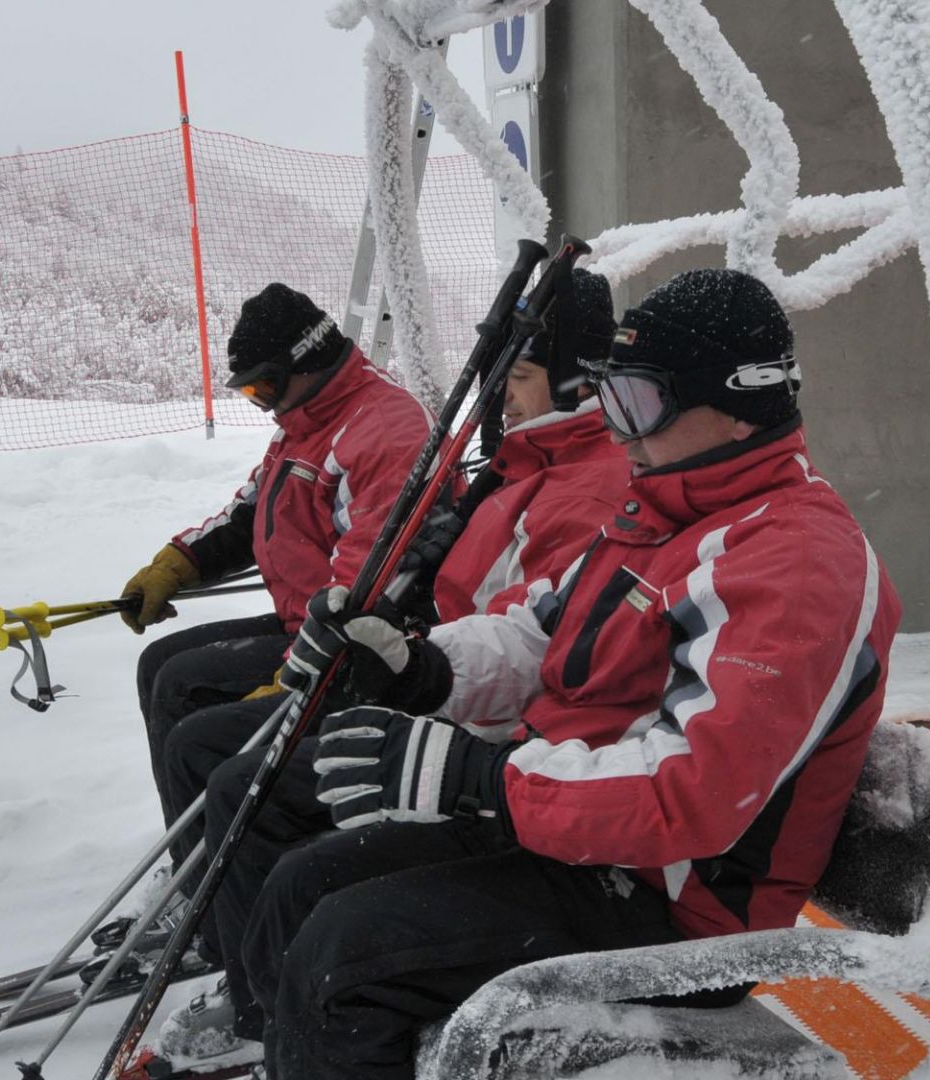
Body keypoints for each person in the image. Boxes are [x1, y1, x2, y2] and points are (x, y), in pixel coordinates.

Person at [247, 268, 904, 1080]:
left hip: (677, 909)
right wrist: (418, 670)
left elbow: (693, 795)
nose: (618, 431)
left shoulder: (797, 564)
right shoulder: (662, 510)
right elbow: (538, 633)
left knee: (345, 955)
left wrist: (484, 778)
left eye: (638, 403)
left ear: (740, 408)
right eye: (608, 398)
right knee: (304, 881)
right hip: (578, 844)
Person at [153, 271, 629, 1064]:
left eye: (517, 379)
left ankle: (258, 1005)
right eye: (498, 380)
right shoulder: (520, 463)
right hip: (417, 674)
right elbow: (447, 586)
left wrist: (404, 665)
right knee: (179, 690)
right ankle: (248, 969)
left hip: (471, 727)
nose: (503, 400)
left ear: (577, 380)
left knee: (240, 780)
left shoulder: (576, 486)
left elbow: (525, 641)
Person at [121, 283, 433, 841]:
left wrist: (295, 670)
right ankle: (192, 856)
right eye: (250, 394)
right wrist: (179, 563)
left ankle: (206, 892)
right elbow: (253, 512)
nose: (262, 404)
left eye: (264, 386)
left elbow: (366, 582)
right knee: (160, 665)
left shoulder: (382, 430)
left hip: (352, 642)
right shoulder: (307, 421)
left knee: (181, 690)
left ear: (307, 361)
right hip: (303, 619)